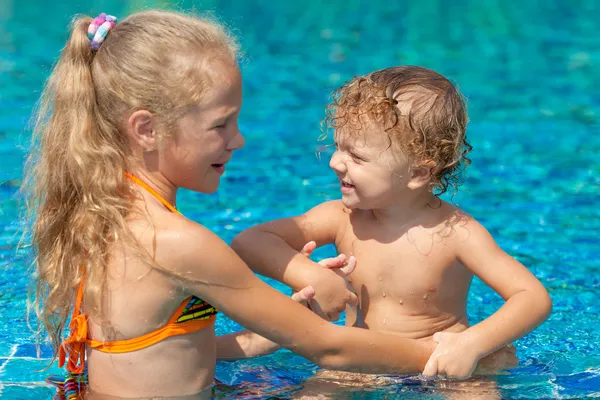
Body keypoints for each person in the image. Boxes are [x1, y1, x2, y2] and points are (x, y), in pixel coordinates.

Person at [22, 12, 487, 400]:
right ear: (146, 129)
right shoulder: (179, 242)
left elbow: (168, 347)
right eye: (221, 125)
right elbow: (330, 349)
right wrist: (457, 353)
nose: (238, 140)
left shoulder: (104, 213)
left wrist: (273, 330)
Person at [232, 65, 551, 381]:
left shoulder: (457, 233)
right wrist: (310, 274)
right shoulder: (341, 218)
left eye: (356, 156)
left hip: (440, 366)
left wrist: (473, 344)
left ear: (417, 174)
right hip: (358, 366)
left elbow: (532, 297)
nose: (334, 162)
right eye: (337, 147)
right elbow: (251, 241)